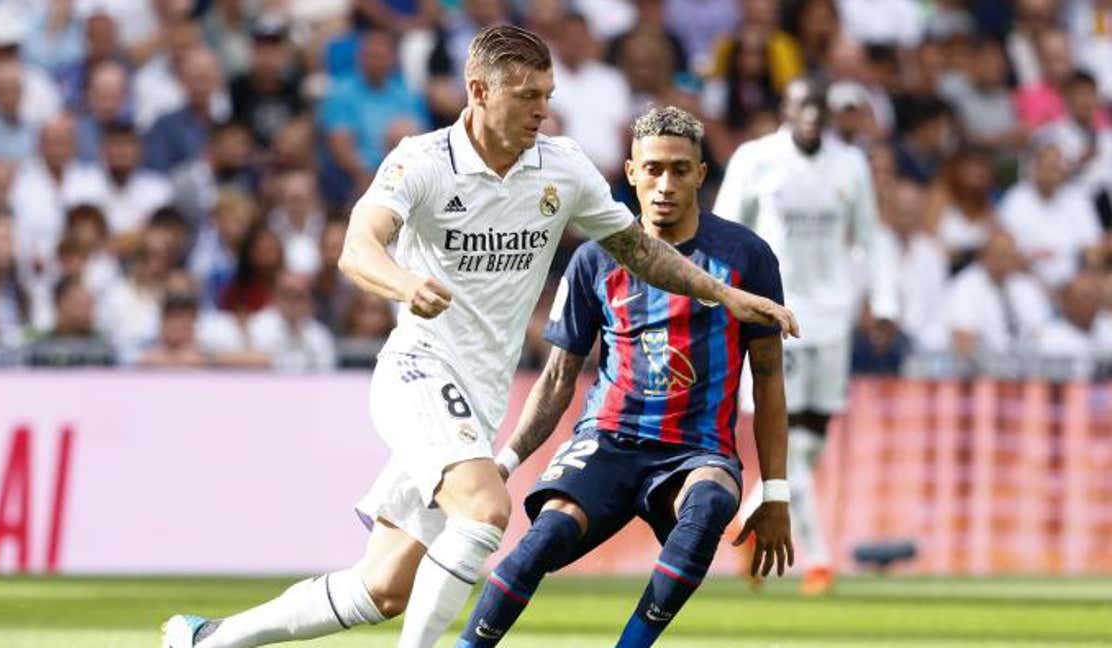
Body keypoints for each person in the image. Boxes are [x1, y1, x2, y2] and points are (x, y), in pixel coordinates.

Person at [162, 24, 796, 648]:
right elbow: (358, 247)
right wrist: (404, 284)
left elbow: (638, 250)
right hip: (419, 370)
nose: (543, 110)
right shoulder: (422, 161)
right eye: (527, 96)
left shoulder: (562, 167)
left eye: (546, 94)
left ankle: (208, 639)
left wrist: (723, 293)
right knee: (486, 512)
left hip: (479, 397)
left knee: (381, 588)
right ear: (479, 91)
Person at [456, 105, 792, 647]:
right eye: (653, 169)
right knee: (545, 538)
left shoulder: (746, 258)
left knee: (710, 502)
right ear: (631, 172)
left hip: (696, 450)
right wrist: (506, 461)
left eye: (681, 170)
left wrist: (774, 491)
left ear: (701, 176)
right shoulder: (594, 260)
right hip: (608, 440)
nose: (665, 184)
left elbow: (770, 378)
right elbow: (558, 377)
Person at [715, 77, 896, 595]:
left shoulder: (850, 165)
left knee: (810, 444)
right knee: (787, 440)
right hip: (774, 317)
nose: (813, 117)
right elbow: (727, 229)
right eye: (803, 107)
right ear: (786, 110)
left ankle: (752, 513)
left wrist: (883, 303)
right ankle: (818, 559)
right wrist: (724, 298)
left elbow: (870, 236)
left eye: (820, 108)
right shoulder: (756, 159)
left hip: (832, 318)